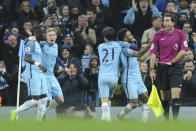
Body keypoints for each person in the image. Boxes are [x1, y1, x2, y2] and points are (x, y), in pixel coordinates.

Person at [149, 13, 188, 121]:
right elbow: (153, 53)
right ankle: (167, 122)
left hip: (176, 67)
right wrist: (151, 69)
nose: (164, 23)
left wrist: (172, 61)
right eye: (164, 21)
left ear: (173, 23)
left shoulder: (180, 34)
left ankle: (174, 122)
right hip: (162, 68)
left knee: (176, 94)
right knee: (164, 97)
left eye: (167, 21)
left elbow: (183, 51)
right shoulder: (158, 35)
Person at [10, 29, 48, 121]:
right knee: (35, 99)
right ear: (35, 33)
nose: (43, 34)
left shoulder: (39, 43)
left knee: (44, 99)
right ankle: (15, 111)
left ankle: (38, 124)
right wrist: (39, 65)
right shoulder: (31, 43)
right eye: (41, 32)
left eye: (44, 32)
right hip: (33, 73)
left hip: (40, 73)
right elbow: (26, 58)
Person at [117, 28, 152, 122]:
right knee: (134, 104)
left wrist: (151, 50)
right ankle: (120, 116)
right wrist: (149, 45)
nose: (132, 36)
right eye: (130, 35)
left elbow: (140, 56)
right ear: (124, 39)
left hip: (137, 78)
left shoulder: (131, 46)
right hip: (129, 79)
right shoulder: (124, 49)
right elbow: (138, 53)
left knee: (146, 100)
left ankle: (144, 125)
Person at [98, 27, 121, 121]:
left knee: (104, 100)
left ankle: (107, 119)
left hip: (103, 76)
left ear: (104, 37)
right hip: (114, 77)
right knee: (109, 98)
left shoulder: (100, 47)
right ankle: (106, 118)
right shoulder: (118, 46)